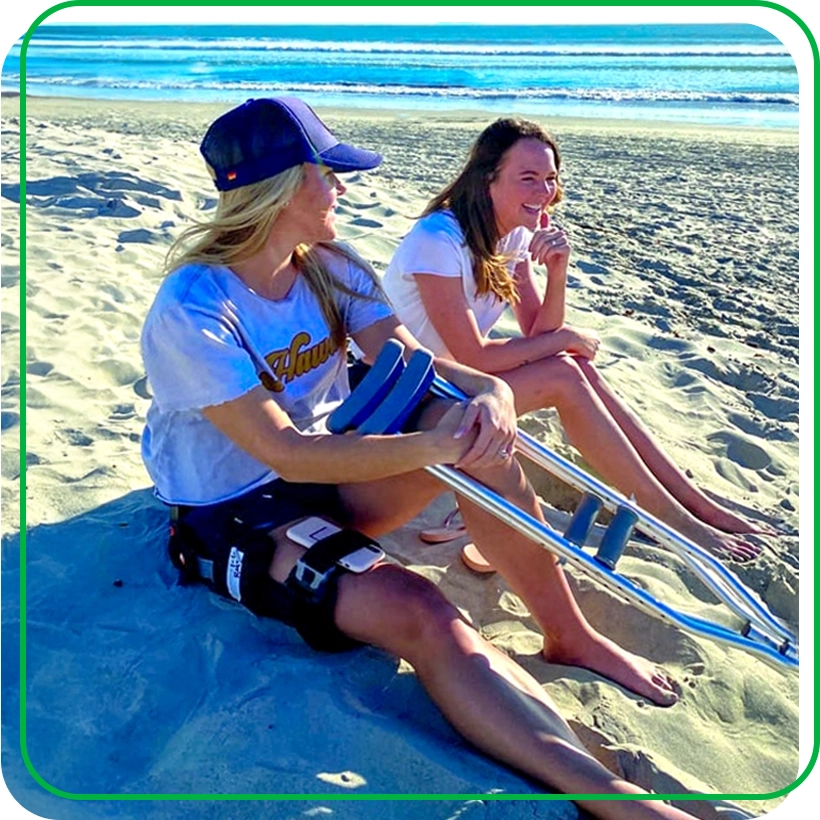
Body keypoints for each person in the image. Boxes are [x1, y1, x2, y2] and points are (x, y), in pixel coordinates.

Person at [140, 96, 708, 819]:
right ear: (280, 189)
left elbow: (412, 360)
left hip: (330, 474)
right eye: (327, 174)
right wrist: (437, 445)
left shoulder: (329, 265)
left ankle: (568, 633)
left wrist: (488, 392)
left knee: (467, 424)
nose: (341, 188)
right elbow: (287, 452)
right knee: (420, 608)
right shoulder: (193, 307)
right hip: (236, 510)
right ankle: (613, 798)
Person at [383, 116, 772, 568]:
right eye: (528, 178)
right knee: (564, 373)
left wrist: (558, 271)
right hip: (403, 400)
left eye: (550, 178)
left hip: (453, 384)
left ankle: (695, 504)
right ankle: (671, 519)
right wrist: (565, 338)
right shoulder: (438, 238)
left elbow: (538, 334)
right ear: (488, 179)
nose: (544, 191)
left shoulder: (513, 234)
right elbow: (476, 354)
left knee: (573, 366)